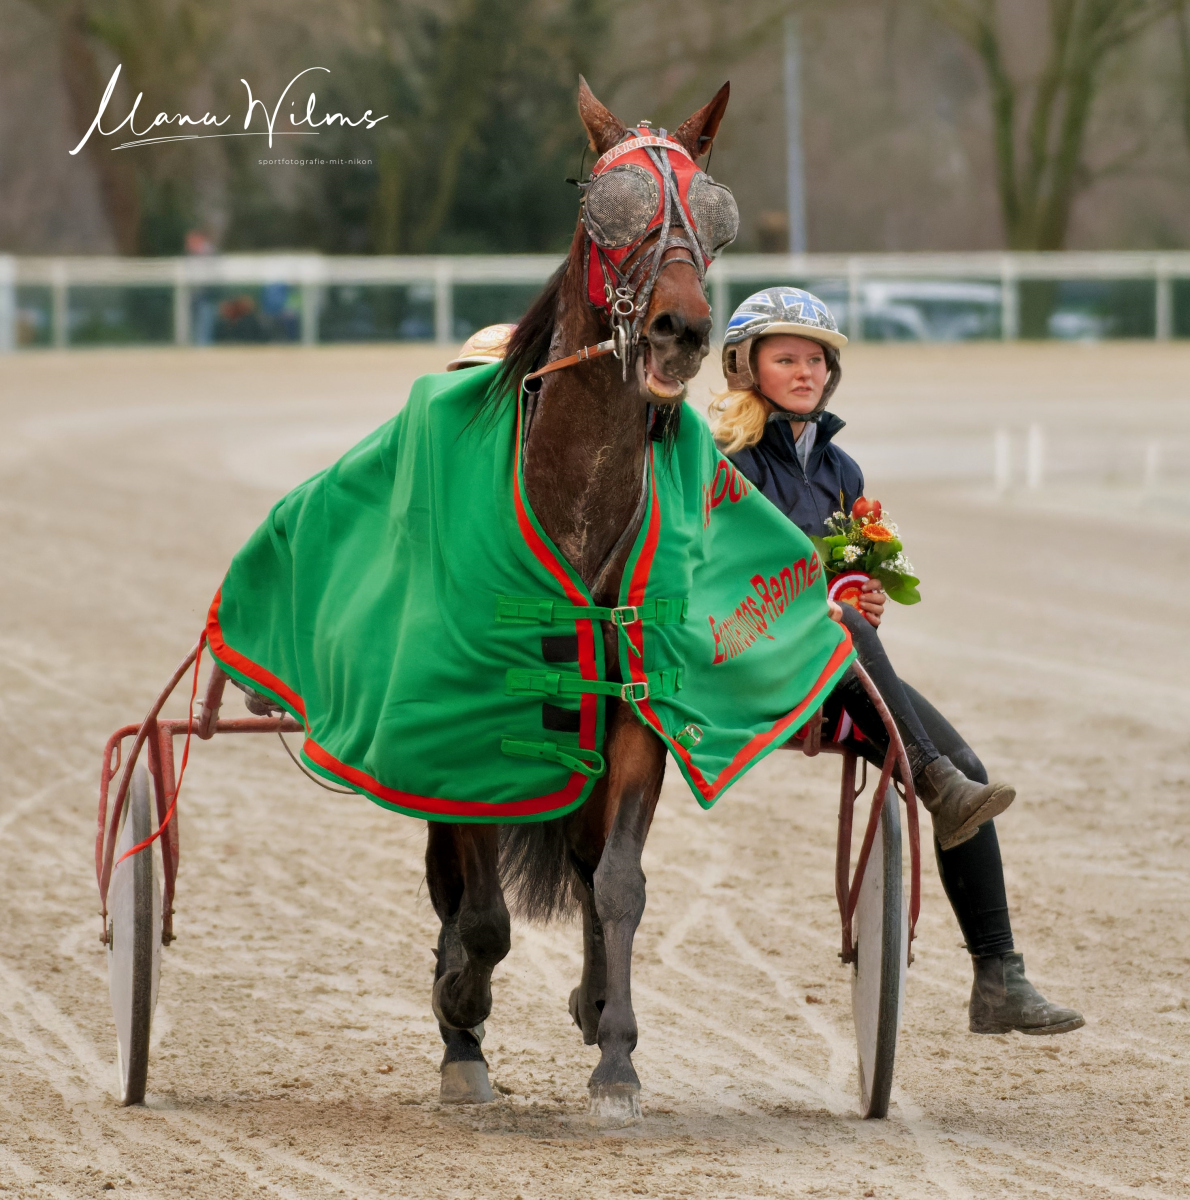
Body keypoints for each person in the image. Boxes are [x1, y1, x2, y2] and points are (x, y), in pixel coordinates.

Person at [710, 287, 1084, 1036]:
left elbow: (846, 575)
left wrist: (866, 592)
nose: (807, 372)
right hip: (747, 665)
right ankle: (932, 779)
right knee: (848, 629)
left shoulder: (842, 469)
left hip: (832, 669)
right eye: (787, 358)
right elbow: (716, 577)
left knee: (969, 769)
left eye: (817, 360)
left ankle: (999, 979)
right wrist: (834, 608)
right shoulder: (724, 463)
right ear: (746, 367)